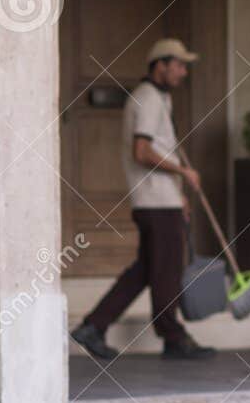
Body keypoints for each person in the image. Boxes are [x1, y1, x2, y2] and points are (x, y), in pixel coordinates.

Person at [71, 38, 217, 362]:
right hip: (155, 201)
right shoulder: (148, 99)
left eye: (184, 66)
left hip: (162, 199)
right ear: (159, 65)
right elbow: (143, 151)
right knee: (164, 269)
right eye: (178, 65)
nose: (183, 72)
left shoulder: (159, 99)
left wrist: (179, 193)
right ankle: (172, 336)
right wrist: (184, 172)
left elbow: (158, 148)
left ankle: (94, 327)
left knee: (149, 269)